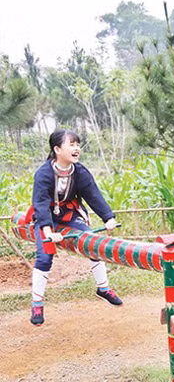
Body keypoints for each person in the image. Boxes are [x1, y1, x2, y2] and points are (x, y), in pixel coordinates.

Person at [27, 129, 122, 326]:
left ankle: (103, 289)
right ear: (57, 149)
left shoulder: (80, 172)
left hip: (69, 214)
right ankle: (37, 303)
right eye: (71, 144)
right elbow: (41, 203)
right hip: (46, 218)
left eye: (78, 144)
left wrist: (108, 217)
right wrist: (47, 231)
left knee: (92, 243)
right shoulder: (44, 173)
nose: (76, 148)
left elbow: (93, 195)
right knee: (45, 256)